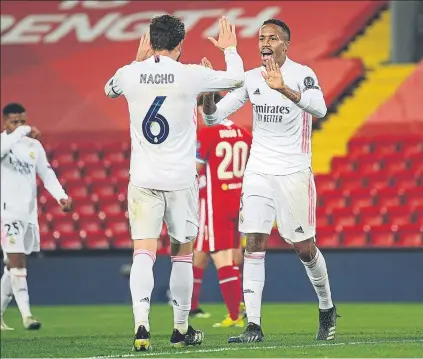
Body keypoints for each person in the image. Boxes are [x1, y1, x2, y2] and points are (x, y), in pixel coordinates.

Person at [104, 15, 244, 351]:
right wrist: (231, 49)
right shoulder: (191, 73)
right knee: (182, 254)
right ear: (180, 44)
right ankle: (180, 329)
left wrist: (137, 61)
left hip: (143, 180)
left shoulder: (129, 73)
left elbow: (109, 89)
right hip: (181, 182)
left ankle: (141, 325)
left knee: (143, 252)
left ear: (150, 41)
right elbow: (238, 80)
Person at [202, 19, 338, 343]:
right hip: (258, 171)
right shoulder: (250, 78)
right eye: (262, 37)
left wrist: (284, 90)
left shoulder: (302, 74)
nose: (265, 42)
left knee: (304, 249)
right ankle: (254, 325)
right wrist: (208, 93)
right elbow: (212, 116)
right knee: (253, 243)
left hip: (294, 171)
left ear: (285, 45)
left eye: (273, 38)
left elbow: (320, 108)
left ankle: (326, 307)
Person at [0, 103, 73, 331]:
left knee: (13, 267)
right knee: (17, 263)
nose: (20, 126)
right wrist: (23, 130)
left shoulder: (34, 146)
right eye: (14, 121)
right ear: (5, 122)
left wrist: (61, 196)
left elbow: (47, 173)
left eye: (22, 121)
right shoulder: (3, 143)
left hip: (28, 214)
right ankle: (27, 316)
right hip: (6, 212)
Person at [190, 91, 252, 328]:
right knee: (233, 253)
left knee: (219, 255)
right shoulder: (244, 134)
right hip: (238, 201)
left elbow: (196, 169)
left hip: (214, 202)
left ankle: (234, 314)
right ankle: (239, 306)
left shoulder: (207, 133)